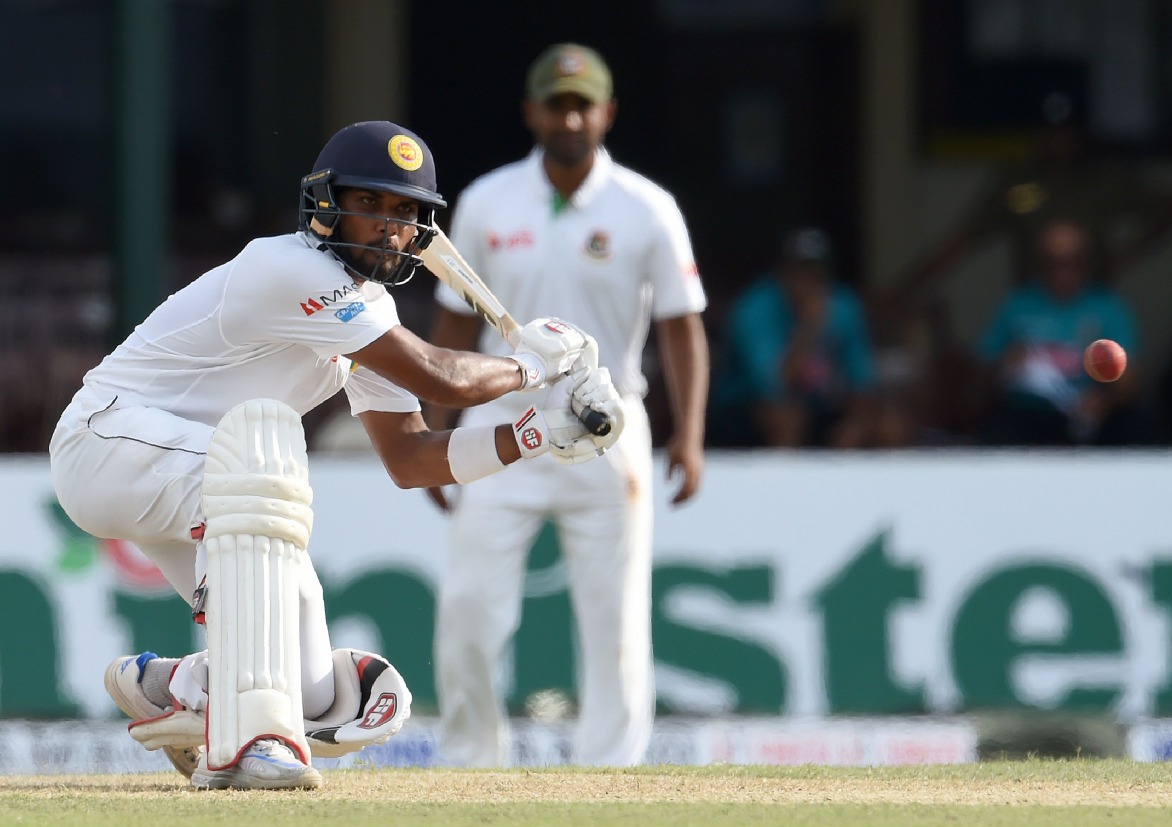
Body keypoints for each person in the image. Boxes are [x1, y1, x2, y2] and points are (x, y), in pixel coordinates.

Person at [47, 120, 624, 790]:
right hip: (104, 441)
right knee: (261, 472)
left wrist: (533, 435)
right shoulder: (288, 267)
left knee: (318, 693)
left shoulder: (367, 316)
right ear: (324, 204)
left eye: (405, 213)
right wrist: (530, 367)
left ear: (423, 233)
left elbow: (410, 458)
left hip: (203, 478)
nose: (387, 225)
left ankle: (172, 683)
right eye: (369, 203)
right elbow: (444, 377)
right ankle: (252, 738)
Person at [423, 43, 709, 767]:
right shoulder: (488, 201)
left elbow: (682, 326)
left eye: (584, 104)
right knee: (469, 607)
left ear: (608, 112)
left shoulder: (647, 208)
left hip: (607, 422)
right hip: (499, 422)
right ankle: (468, 760)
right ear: (532, 112)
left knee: (615, 613)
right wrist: (433, 430)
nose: (570, 117)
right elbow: (455, 322)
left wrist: (691, 433)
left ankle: (609, 769)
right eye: (557, 103)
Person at [893, 91, 1172, 302]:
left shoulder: (1107, 180)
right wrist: (905, 288)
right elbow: (962, 239)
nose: (1058, 141)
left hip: (1091, 307)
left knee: (1103, 380)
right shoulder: (1020, 183)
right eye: (1050, 132)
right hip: (1032, 310)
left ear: (1081, 134)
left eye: (1066, 132)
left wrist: (1128, 253)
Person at [713, 227, 903, 448]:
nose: (807, 281)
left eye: (815, 272)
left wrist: (856, 423)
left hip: (819, 406)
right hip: (747, 408)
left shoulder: (843, 305)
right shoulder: (754, 308)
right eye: (799, 271)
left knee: (889, 423)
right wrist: (809, 327)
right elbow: (774, 385)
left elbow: (862, 380)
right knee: (787, 417)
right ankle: (782, 482)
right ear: (781, 271)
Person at [975, 217, 1150, 446]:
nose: (1062, 271)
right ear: (1039, 263)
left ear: (1087, 262)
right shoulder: (1017, 305)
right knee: (995, 432)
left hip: (1090, 413)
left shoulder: (1108, 308)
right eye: (1052, 262)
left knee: (1136, 427)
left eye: (1072, 262)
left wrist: (1105, 401)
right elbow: (980, 375)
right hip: (1027, 414)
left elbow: (1130, 380)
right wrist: (1004, 364)